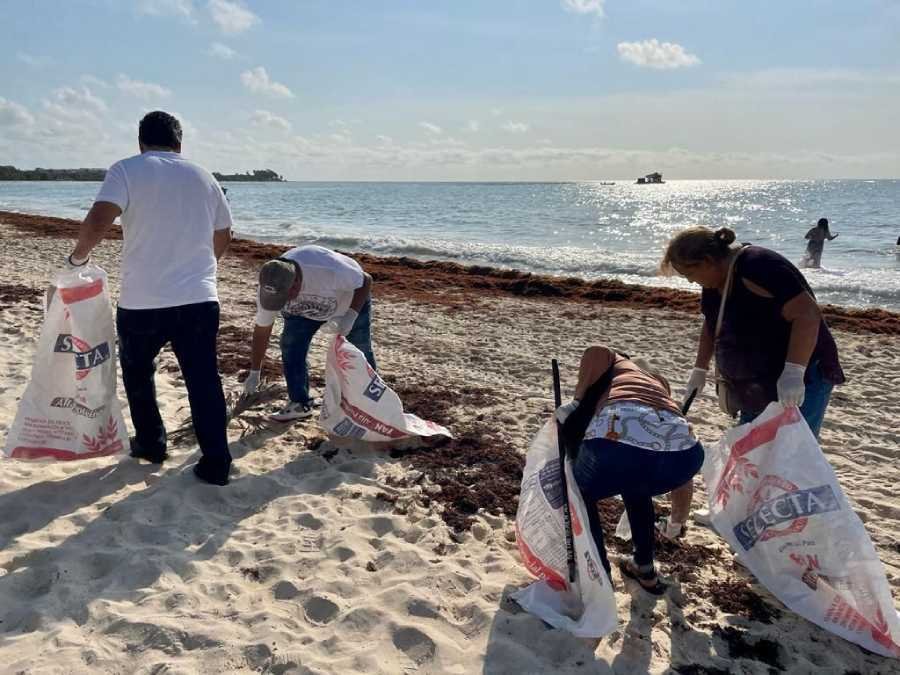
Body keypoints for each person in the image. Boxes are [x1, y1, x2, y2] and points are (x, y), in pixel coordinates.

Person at [67, 110, 234, 486]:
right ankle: (216, 462)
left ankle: (151, 443)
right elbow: (224, 233)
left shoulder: (127, 169)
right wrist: (205, 268)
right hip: (199, 298)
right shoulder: (204, 176)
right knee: (204, 379)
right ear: (180, 143)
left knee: (139, 372)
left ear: (140, 142)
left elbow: (98, 220)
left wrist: (78, 259)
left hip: (143, 300)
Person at [661, 227, 845, 530]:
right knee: (747, 449)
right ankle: (732, 512)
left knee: (789, 453)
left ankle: (779, 529)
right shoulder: (716, 282)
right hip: (754, 380)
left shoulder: (758, 266)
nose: (691, 282)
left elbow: (807, 315)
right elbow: (711, 324)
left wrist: (794, 371)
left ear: (707, 260)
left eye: (689, 274)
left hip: (800, 375)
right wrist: (700, 369)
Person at [556, 346, 704, 595]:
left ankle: (598, 578)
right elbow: (685, 482)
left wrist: (577, 401)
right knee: (637, 489)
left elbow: (596, 350)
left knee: (580, 494)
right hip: (686, 453)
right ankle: (644, 569)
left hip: (619, 432)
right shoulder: (659, 386)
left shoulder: (618, 362)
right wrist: (677, 522)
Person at [242, 245, 375, 421]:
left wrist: (351, 316)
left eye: (284, 297)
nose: (281, 302)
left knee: (361, 348)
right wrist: (254, 372)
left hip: (347, 303)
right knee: (290, 346)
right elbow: (262, 330)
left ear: (296, 282)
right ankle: (300, 402)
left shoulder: (329, 270)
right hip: (302, 313)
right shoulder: (270, 285)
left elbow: (365, 280)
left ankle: (371, 400)